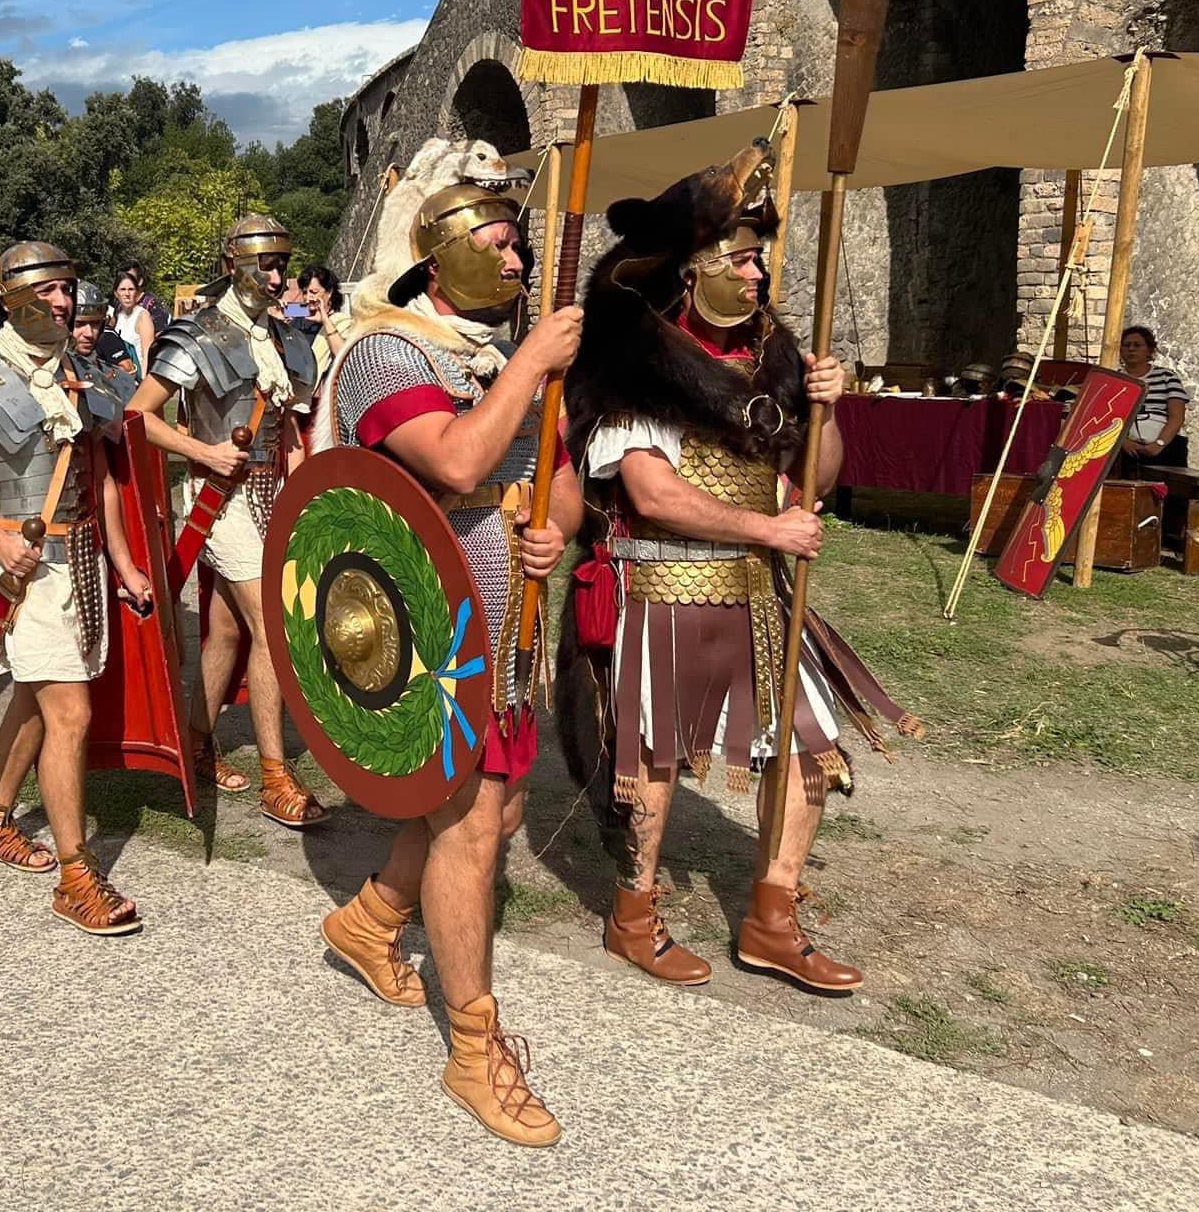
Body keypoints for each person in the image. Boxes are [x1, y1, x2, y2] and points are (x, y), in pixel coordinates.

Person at [557, 138, 922, 1000]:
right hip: (668, 585)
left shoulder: (778, 358)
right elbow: (653, 491)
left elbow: (817, 481)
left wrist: (825, 412)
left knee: (810, 754)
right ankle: (634, 914)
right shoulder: (628, 365)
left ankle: (772, 917)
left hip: (762, 590)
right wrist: (769, 525)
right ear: (691, 270)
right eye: (744, 259)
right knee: (651, 760)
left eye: (761, 260)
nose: (759, 276)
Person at [307, 138, 578, 1148]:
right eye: (501, 245)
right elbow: (459, 461)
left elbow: (555, 483)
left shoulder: (495, 360)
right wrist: (537, 369)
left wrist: (553, 519)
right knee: (467, 826)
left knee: (491, 818)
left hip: (501, 636)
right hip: (428, 644)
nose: (517, 262)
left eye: (518, 245)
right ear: (440, 256)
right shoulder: (390, 356)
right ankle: (474, 1051)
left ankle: (370, 917)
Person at [0, 241, 154, 936]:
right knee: (70, 713)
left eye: (68, 290)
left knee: (34, 696)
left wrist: (123, 560)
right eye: (49, 292)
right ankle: (77, 877)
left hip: (78, 560)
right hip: (16, 568)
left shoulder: (83, 373)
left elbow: (101, 476)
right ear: (13, 301)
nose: (64, 302)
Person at [127, 214, 324, 826]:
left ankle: (195, 739)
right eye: (264, 264)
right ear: (232, 264)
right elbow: (139, 416)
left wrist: (303, 484)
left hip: (273, 494)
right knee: (273, 628)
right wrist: (205, 452)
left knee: (230, 631)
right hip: (220, 500)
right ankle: (275, 775)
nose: (276, 275)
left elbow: (289, 426)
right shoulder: (197, 334)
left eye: (281, 264)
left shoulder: (289, 338)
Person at [1117, 325, 1189, 471]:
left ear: (1149, 350)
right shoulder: (1115, 379)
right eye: (1127, 345)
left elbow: (1177, 416)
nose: (1131, 349)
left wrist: (1159, 444)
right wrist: (1123, 442)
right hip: (1124, 449)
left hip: (1165, 448)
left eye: (1137, 345)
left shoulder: (1167, 377)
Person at [112, 268, 157, 374]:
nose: (127, 294)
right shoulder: (117, 316)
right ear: (116, 293)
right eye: (122, 289)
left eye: (131, 289)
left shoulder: (142, 316)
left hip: (138, 376)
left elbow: (148, 353)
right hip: (122, 376)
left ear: (136, 292)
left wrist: (144, 382)